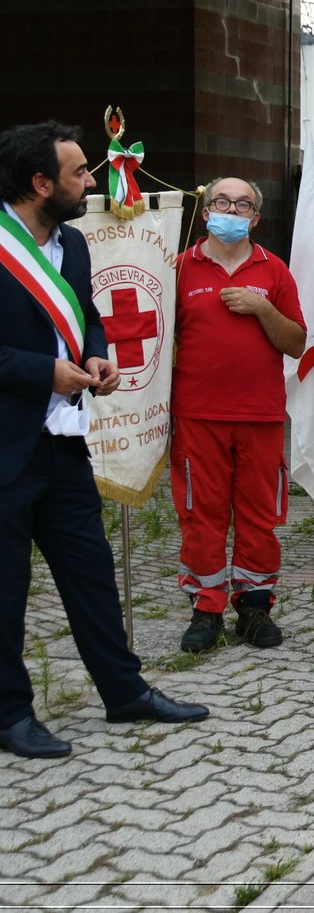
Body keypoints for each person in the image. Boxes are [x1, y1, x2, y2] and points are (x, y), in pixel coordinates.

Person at [0, 120, 207, 759]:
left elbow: (87, 314)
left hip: (62, 443)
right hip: (7, 448)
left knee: (91, 575)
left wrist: (95, 357)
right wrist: (43, 372)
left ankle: (124, 691)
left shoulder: (73, 244)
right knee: (6, 592)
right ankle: (10, 714)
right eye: (78, 174)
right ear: (40, 183)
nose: (91, 182)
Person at [171, 178, 308, 652]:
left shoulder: (273, 270)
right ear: (206, 211)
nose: (231, 209)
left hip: (260, 415)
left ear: (255, 218)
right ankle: (206, 608)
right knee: (201, 513)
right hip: (198, 415)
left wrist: (262, 308)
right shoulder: (179, 267)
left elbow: (296, 342)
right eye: (222, 202)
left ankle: (254, 605)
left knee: (258, 513)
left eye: (242, 204)